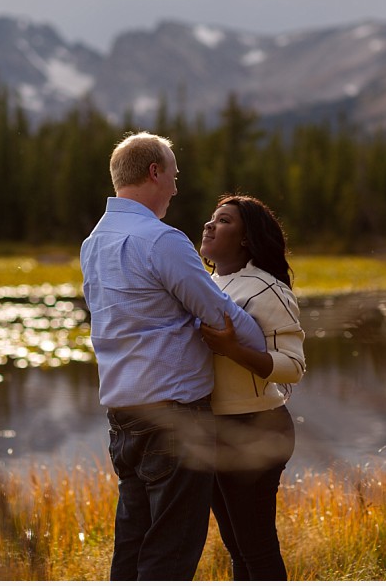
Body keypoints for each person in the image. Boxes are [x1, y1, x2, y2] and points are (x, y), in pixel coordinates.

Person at [80, 132, 267, 581]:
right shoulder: (162, 240)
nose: (177, 189)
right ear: (154, 173)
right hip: (176, 418)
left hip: (123, 415)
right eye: (174, 176)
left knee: (132, 545)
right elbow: (218, 312)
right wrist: (261, 344)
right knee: (171, 552)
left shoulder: (92, 243)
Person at [198, 194, 306, 580]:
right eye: (211, 219)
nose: (210, 225)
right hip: (214, 428)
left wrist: (232, 349)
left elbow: (292, 366)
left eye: (224, 221)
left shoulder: (266, 288)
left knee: (256, 549)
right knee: (237, 547)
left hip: (256, 427)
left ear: (246, 239)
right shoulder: (207, 283)